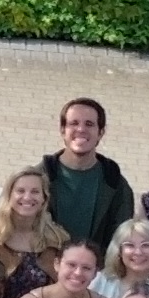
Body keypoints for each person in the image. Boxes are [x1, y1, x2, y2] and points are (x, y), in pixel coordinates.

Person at [36, 98, 133, 255]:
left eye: (89, 124)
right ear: (62, 130)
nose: (81, 129)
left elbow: (120, 241)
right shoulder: (37, 179)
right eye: (74, 123)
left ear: (100, 132)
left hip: (95, 269)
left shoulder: (116, 185)